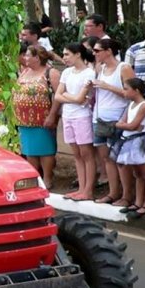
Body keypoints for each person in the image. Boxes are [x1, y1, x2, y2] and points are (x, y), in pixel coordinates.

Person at [110, 77, 145, 217]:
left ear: (136, 90)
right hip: (129, 139)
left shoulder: (144, 105)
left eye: (126, 89)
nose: (124, 92)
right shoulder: (131, 104)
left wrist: (122, 125)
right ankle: (138, 202)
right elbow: (124, 122)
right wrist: (123, 125)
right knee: (138, 173)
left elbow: (133, 125)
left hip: (140, 140)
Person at [89, 38, 135, 206]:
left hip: (117, 118)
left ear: (108, 51)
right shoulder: (100, 68)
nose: (94, 53)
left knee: (120, 159)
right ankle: (113, 192)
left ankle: (127, 195)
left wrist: (107, 86)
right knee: (107, 158)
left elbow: (132, 93)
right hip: (99, 118)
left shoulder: (124, 68)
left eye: (97, 50)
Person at [55, 43, 97, 201]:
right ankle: (81, 188)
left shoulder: (89, 73)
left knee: (86, 154)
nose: (64, 58)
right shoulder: (66, 72)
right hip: (68, 115)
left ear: (78, 54)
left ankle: (88, 190)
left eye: (67, 54)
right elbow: (58, 95)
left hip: (82, 116)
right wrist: (72, 98)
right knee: (77, 154)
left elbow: (80, 99)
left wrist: (67, 96)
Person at [16, 45, 60, 188]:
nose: (25, 58)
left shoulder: (50, 72)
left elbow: (58, 95)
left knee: (45, 149)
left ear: (37, 57)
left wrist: (52, 115)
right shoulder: (25, 71)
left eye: (28, 55)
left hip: (42, 118)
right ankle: (35, 177)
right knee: (29, 149)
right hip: (24, 119)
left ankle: (47, 178)